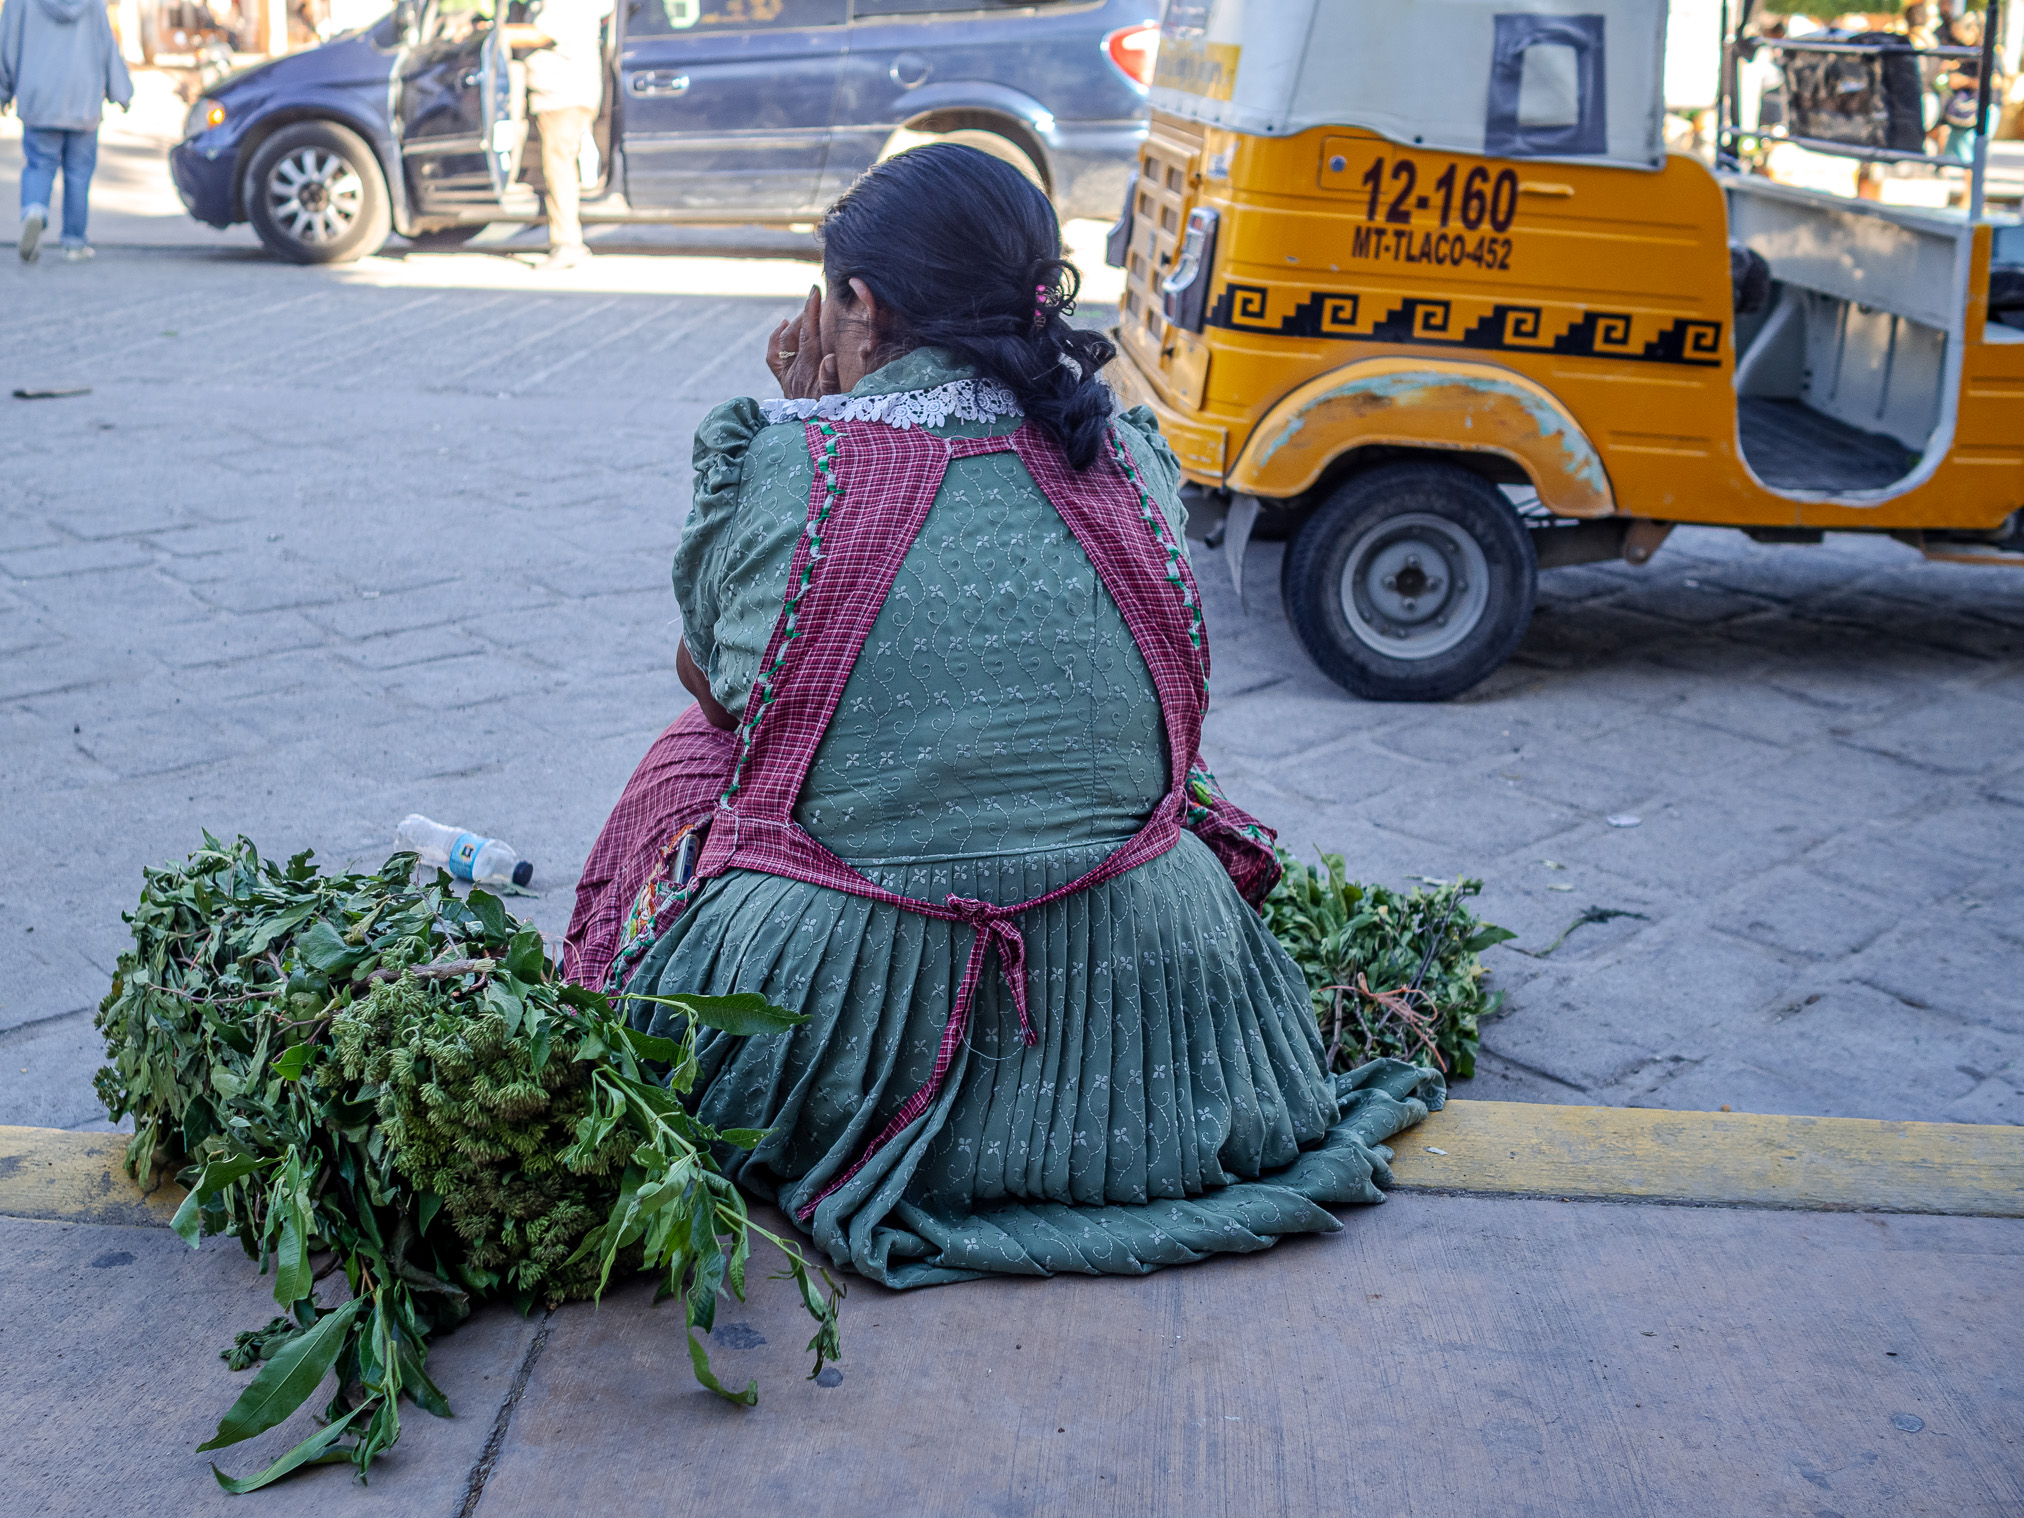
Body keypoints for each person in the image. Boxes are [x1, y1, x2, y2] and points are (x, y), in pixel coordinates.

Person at [564, 144, 1441, 1289]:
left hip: (839, 1004)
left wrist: (808, 425)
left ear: (861, 304)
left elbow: (722, 686)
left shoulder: (791, 456)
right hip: (1156, 993)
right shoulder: (1125, 457)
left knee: (694, 756)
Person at [0, 0, 133, 263]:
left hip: (39, 98)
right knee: (78, 173)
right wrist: (121, 91)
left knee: (39, 164)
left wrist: (3, 91)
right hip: (83, 97)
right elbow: (106, 44)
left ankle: (35, 211)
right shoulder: (93, 3)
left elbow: (7, 44)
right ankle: (74, 243)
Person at [504, 0, 612, 272]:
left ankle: (567, 243)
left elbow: (540, 34)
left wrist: (495, 34)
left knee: (559, 166)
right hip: (565, 93)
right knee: (556, 164)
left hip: (562, 95)